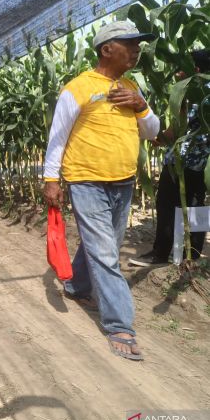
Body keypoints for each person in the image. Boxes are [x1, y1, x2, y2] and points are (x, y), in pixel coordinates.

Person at [43, 20, 159, 361]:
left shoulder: (131, 86)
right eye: (130, 43)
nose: (137, 50)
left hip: (123, 181)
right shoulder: (77, 88)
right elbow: (58, 137)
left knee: (103, 244)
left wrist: (141, 105)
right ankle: (119, 325)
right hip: (86, 181)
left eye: (138, 44)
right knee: (107, 253)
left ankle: (78, 286)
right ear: (107, 49)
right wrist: (51, 180)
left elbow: (151, 132)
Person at [130, 49, 210, 266]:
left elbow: (176, 130)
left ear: (194, 70)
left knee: (166, 204)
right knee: (196, 207)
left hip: (181, 161)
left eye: (180, 68)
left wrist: (158, 137)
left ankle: (161, 254)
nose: (176, 74)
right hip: (202, 164)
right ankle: (191, 256)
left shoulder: (191, 95)